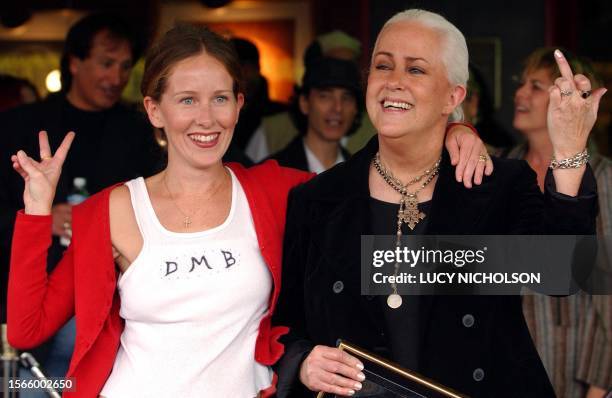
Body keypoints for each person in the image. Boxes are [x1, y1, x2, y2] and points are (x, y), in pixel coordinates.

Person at [6, 21, 496, 398]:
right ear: (155, 109)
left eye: (220, 98)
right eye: (186, 99)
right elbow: (28, 328)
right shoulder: (110, 209)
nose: (206, 117)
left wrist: (453, 129)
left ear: (240, 105)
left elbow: (379, 169)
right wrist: (35, 211)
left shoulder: (275, 191)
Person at [272, 9, 603, 398]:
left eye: (416, 70)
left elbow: (561, 270)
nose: (394, 82)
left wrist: (569, 146)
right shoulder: (317, 199)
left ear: (453, 96)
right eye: (383, 66)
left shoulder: (494, 187)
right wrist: (304, 362)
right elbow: (286, 327)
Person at [0, 13, 161, 389]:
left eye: (125, 67)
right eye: (106, 63)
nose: (117, 78)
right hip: (30, 301)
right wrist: (38, 217)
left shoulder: (139, 131)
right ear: (74, 62)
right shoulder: (18, 125)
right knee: (27, 386)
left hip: (109, 308)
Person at [507, 47, 611, 398]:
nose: (520, 94)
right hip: (505, 359)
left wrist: (600, 385)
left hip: (574, 367)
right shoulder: (502, 169)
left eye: (536, 86)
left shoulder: (603, 176)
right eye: (521, 84)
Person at [269, 56, 362, 173]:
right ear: (304, 103)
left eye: (346, 98)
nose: (338, 108)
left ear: (355, 108)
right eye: (325, 96)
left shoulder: (362, 173)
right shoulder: (274, 171)